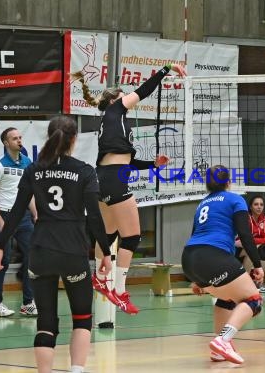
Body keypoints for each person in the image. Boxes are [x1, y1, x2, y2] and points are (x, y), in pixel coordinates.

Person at [0, 116, 113, 373]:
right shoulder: (84, 171)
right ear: (73, 139)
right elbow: (95, 216)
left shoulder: (33, 169)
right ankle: (76, 369)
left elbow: (15, 212)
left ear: (49, 137)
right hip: (73, 252)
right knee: (81, 317)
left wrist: (0, 247)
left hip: (41, 252)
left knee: (45, 321)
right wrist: (106, 252)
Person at [74, 62, 187, 314]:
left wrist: (152, 165)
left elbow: (126, 159)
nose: (128, 95)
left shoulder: (112, 121)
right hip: (112, 178)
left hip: (104, 176)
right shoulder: (116, 110)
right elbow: (145, 90)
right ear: (115, 98)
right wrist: (167, 68)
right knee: (133, 236)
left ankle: (100, 279)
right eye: (123, 93)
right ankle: (120, 291)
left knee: (110, 233)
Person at [182, 165, 264, 365]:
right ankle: (223, 340)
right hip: (214, 256)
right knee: (254, 300)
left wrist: (195, 280)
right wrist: (258, 264)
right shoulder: (235, 199)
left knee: (227, 297)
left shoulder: (202, 203)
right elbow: (245, 235)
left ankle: (218, 351)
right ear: (228, 182)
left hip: (190, 258)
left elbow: (195, 235)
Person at [0, 127, 38, 317]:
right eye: (14, 138)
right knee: (2, 261)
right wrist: (0, 222)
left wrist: (35, 213)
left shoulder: (27, 163)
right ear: (6, 143)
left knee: (32, 257)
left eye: (20, 137)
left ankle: (28, 303)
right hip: (5, 216)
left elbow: (29, 194)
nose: (19, 141)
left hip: (24, 217)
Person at [235, 195, 265, 292]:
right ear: (250, 207)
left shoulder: (263, 219)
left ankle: (258, 283)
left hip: (255, 246)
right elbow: (247, 239)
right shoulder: (246, 218)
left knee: (264, 249)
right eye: (256, 204)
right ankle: (244, 284)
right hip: (238, 247)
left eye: (261, 204)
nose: (259, 207)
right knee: (253, 249)